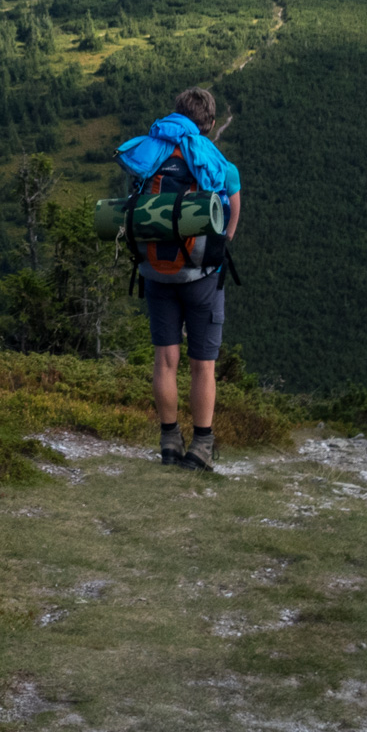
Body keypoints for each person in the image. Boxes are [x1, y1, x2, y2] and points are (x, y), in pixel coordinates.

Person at [116, 87, 241, 471]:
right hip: (202, 275)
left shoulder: (149, 154)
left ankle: (169, 441)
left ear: (175, 115)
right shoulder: (218, 163)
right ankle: (201, 446)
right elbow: (229, 224)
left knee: (165, 360)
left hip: (155, 271)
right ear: (211, 124)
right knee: (202, 364)